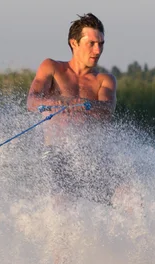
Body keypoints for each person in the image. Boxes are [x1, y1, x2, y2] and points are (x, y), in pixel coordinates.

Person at [26, 13, 121, 205]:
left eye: (101, 43)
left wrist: (76, 103)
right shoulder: (52, 67)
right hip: (56, 153)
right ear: (74, 43)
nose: (98, 49)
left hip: (93, 154)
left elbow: (107, 109)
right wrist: (54, 104)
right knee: (62, 200)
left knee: (128, 195)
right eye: (92, 43)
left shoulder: (104, 80)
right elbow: (32, 101)